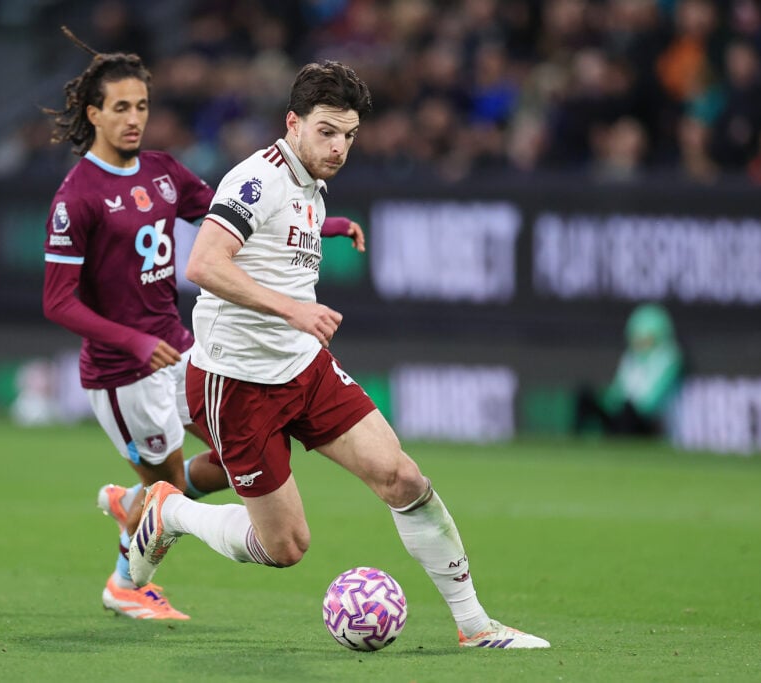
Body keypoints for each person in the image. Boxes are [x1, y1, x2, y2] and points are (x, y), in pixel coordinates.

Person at [127, 60, 550, 649]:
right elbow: (203, 265)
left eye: (349, 135)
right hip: (236, 382)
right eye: (326, 131)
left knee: (403, 477)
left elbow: (276, 241)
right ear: (292, 123)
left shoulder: (311, 184)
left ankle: (475, 626)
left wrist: (330, 230)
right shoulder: (257, 180)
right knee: (285, 546)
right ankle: (170, 513)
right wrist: (292, 310)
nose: (339, 147)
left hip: (304, 367)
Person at [42, 30, 366, 621]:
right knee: (170, 485)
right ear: (94, 115)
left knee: (230, 459)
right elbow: (58, 302)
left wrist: (327, 224)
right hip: (122, 372)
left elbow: (237, 217)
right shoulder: (77, 196)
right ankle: (125, 583)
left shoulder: (163, 171)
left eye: (143, 105)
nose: (135, 119)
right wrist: (135, 341)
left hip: (182, 350)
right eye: (121, 107)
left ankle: (132, 502)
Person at [574, 303, 685, 437]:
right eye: (636, 338)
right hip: (622, 412)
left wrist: (627, 405)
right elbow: (617, 391)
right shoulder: (630, 358)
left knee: (628, 411)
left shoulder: (669, 359)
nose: (639, 343)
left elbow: (651, 401)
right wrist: (612, 403)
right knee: (586, 395)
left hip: (644, 421)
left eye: (645, 339)